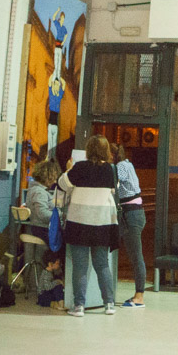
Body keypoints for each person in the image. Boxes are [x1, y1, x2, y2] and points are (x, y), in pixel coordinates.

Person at [57, 134, 120, 317]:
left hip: (79, 224)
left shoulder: (79, 167)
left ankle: (79, 307)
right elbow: (114, 189)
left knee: (80, 266)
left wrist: (68, 169)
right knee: (102, 265)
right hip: (102, 224)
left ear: (88, 150)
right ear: (105, 150)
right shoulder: (110, 170)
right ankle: (109, 304)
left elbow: (62, 184)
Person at [111, 143, 147, 309]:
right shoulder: (128, 164)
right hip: (134, 213)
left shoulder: (120, 167)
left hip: (131, 214)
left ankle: (139, 296)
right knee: (134, 255)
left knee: (136, 256)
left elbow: (111, 182)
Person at [25, 159, 62, 245]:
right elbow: (42, 213)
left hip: (38, 227)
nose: (55, 181)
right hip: (42, 229)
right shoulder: (39, 192)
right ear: (48, 177)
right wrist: (60, 215)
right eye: (53, 178)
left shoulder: (35, 190)